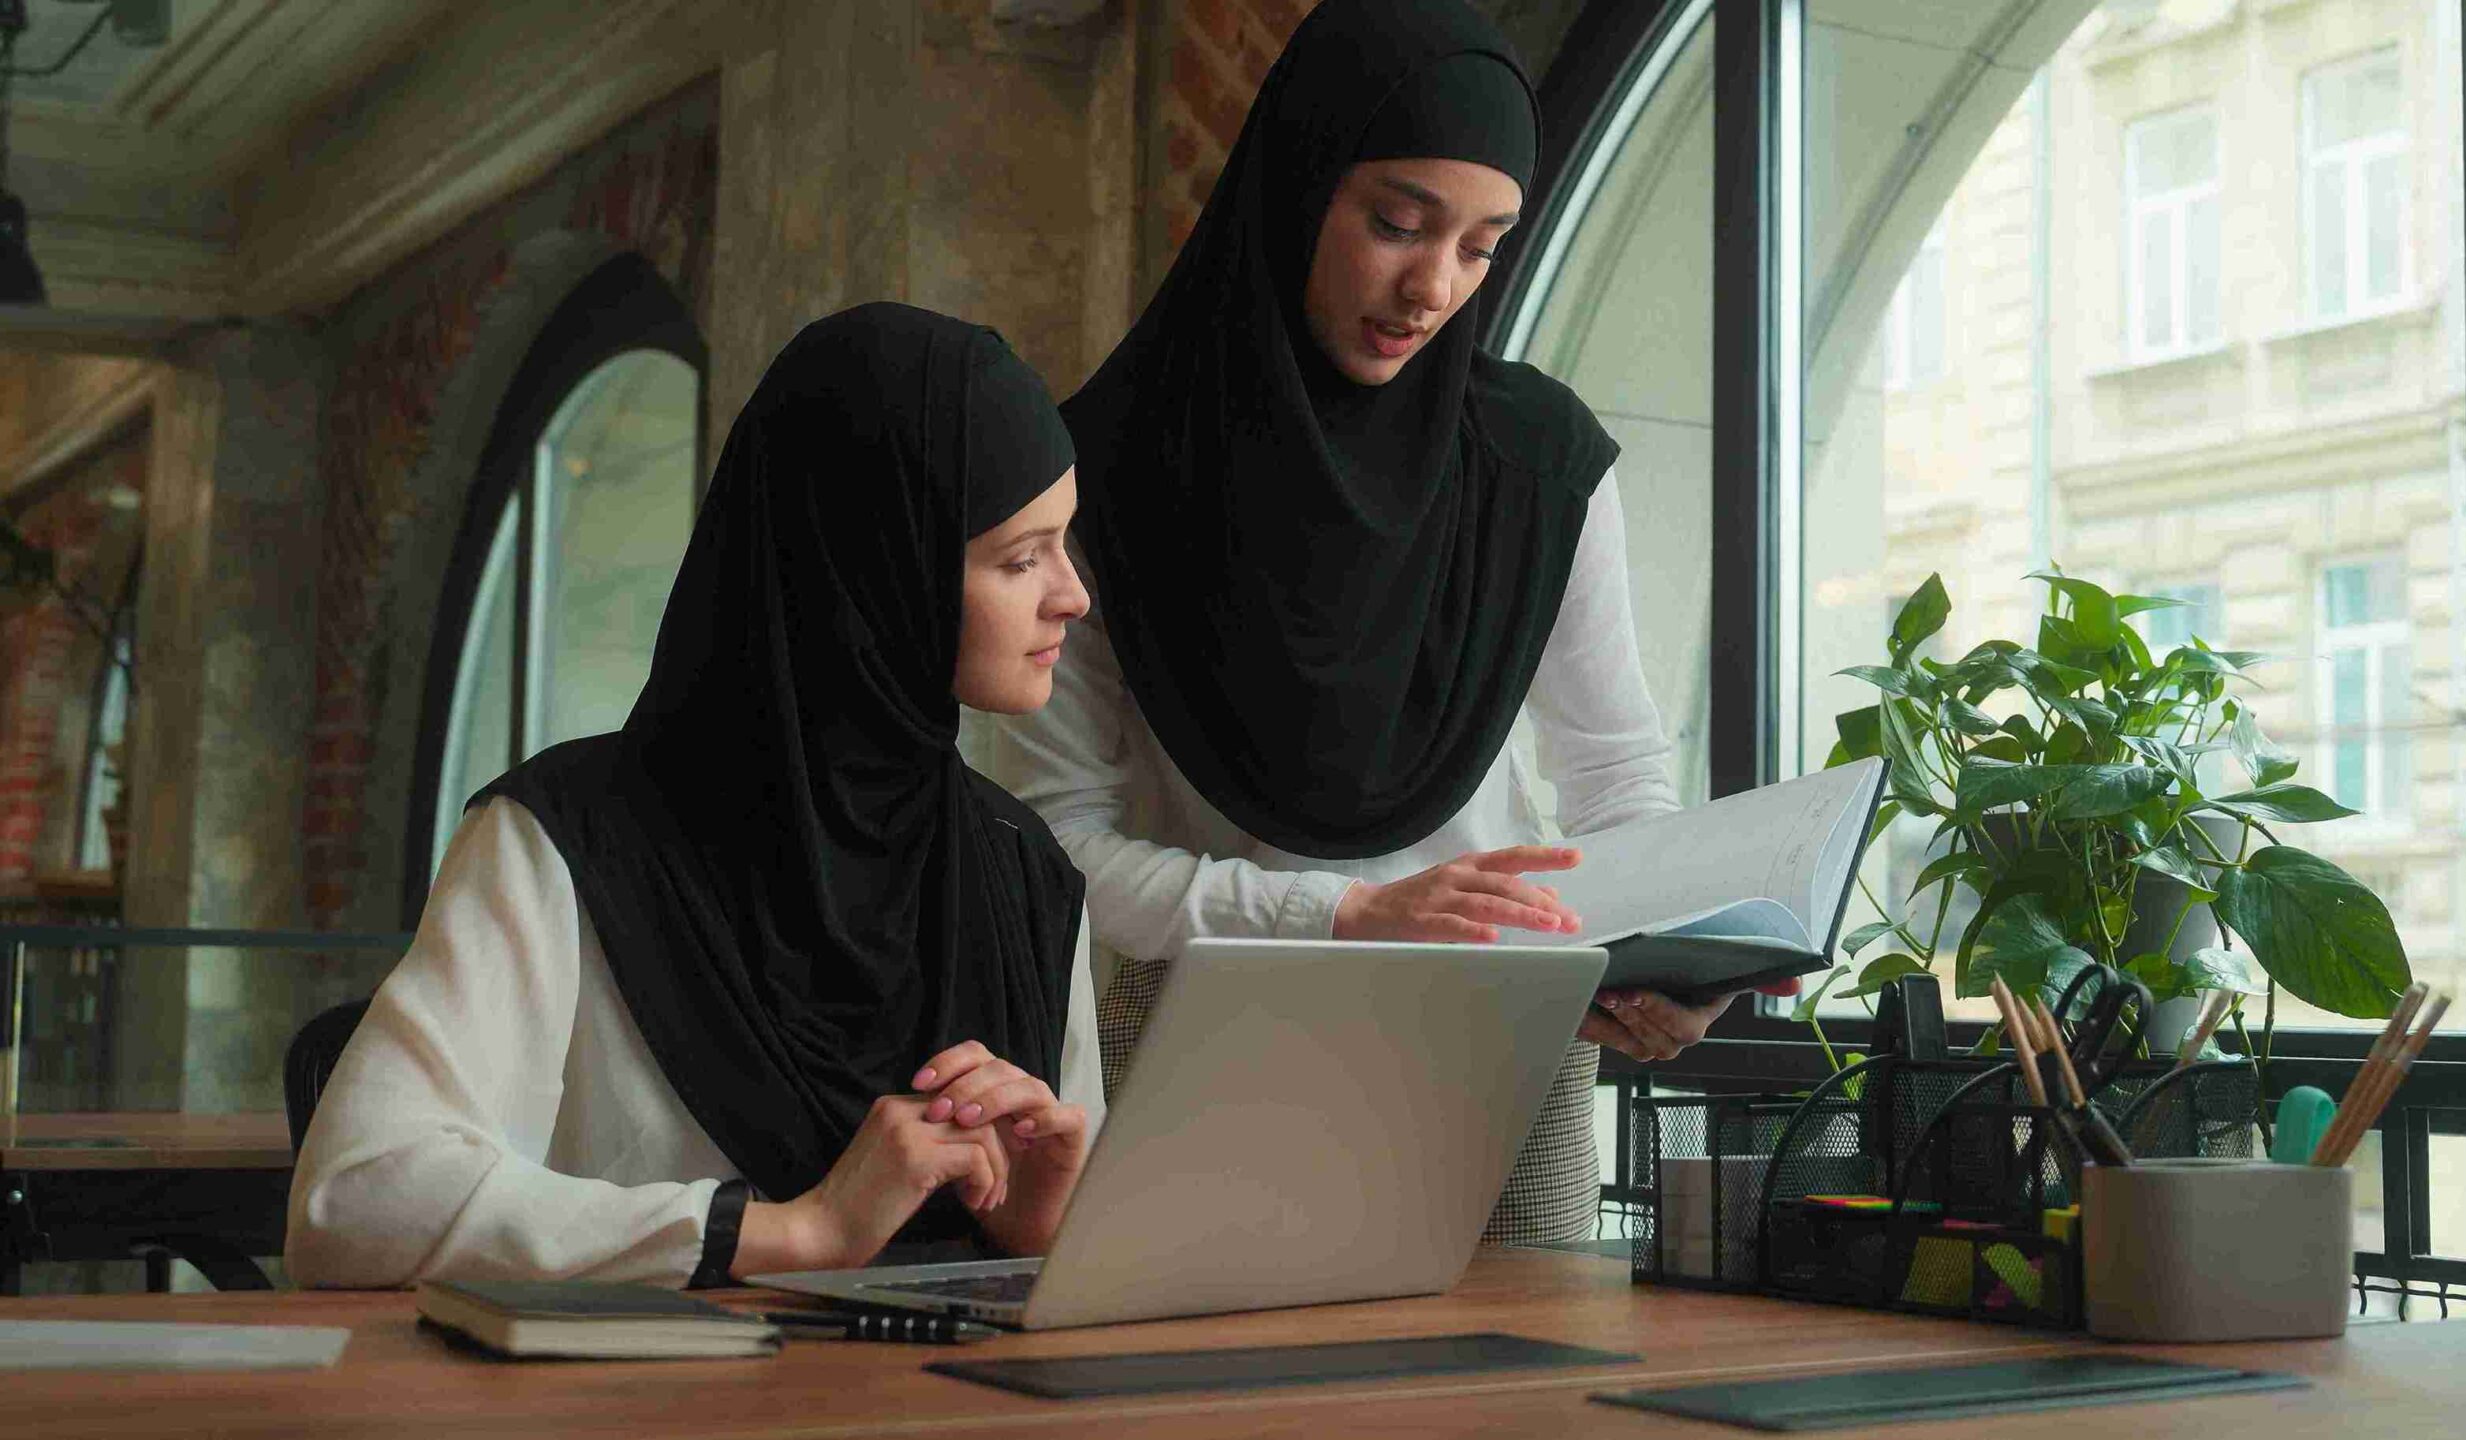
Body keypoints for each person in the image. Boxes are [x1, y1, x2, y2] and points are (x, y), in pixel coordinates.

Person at [986, 0, 1788, 1246]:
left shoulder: (1538, 464)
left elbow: (1615, 767)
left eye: (1482, 246)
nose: (1433, 287)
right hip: (1203, 1044)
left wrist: (1653, 959)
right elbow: (1053, 849)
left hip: (1499, 1040)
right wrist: (1344, 915)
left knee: (1522, 1405)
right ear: (1299, 183)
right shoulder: (1102, 472)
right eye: (1398, 224)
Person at [288, 304, 1102, 1288]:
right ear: (873, 570)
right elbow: (355, 1201)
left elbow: (1066, 1274)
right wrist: (796, 1234)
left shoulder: (1027, 877)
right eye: (1020, 558)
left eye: (1063, 544)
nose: (1072, 595)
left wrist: (1044, 1229)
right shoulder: (567, 842)